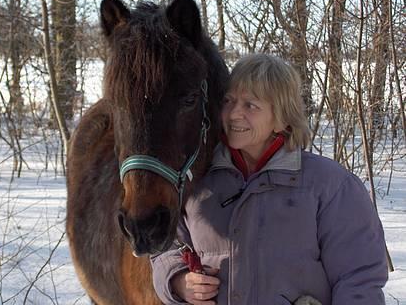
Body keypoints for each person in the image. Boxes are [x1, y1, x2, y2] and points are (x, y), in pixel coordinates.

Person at [151, 54, 388, 305]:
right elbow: (165, 246)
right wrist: (177, 280)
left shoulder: (331, 186)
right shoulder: (196, 179)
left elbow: (359, 278)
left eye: (250, 105)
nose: (233, 114)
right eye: (228, 101)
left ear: (282, 119)